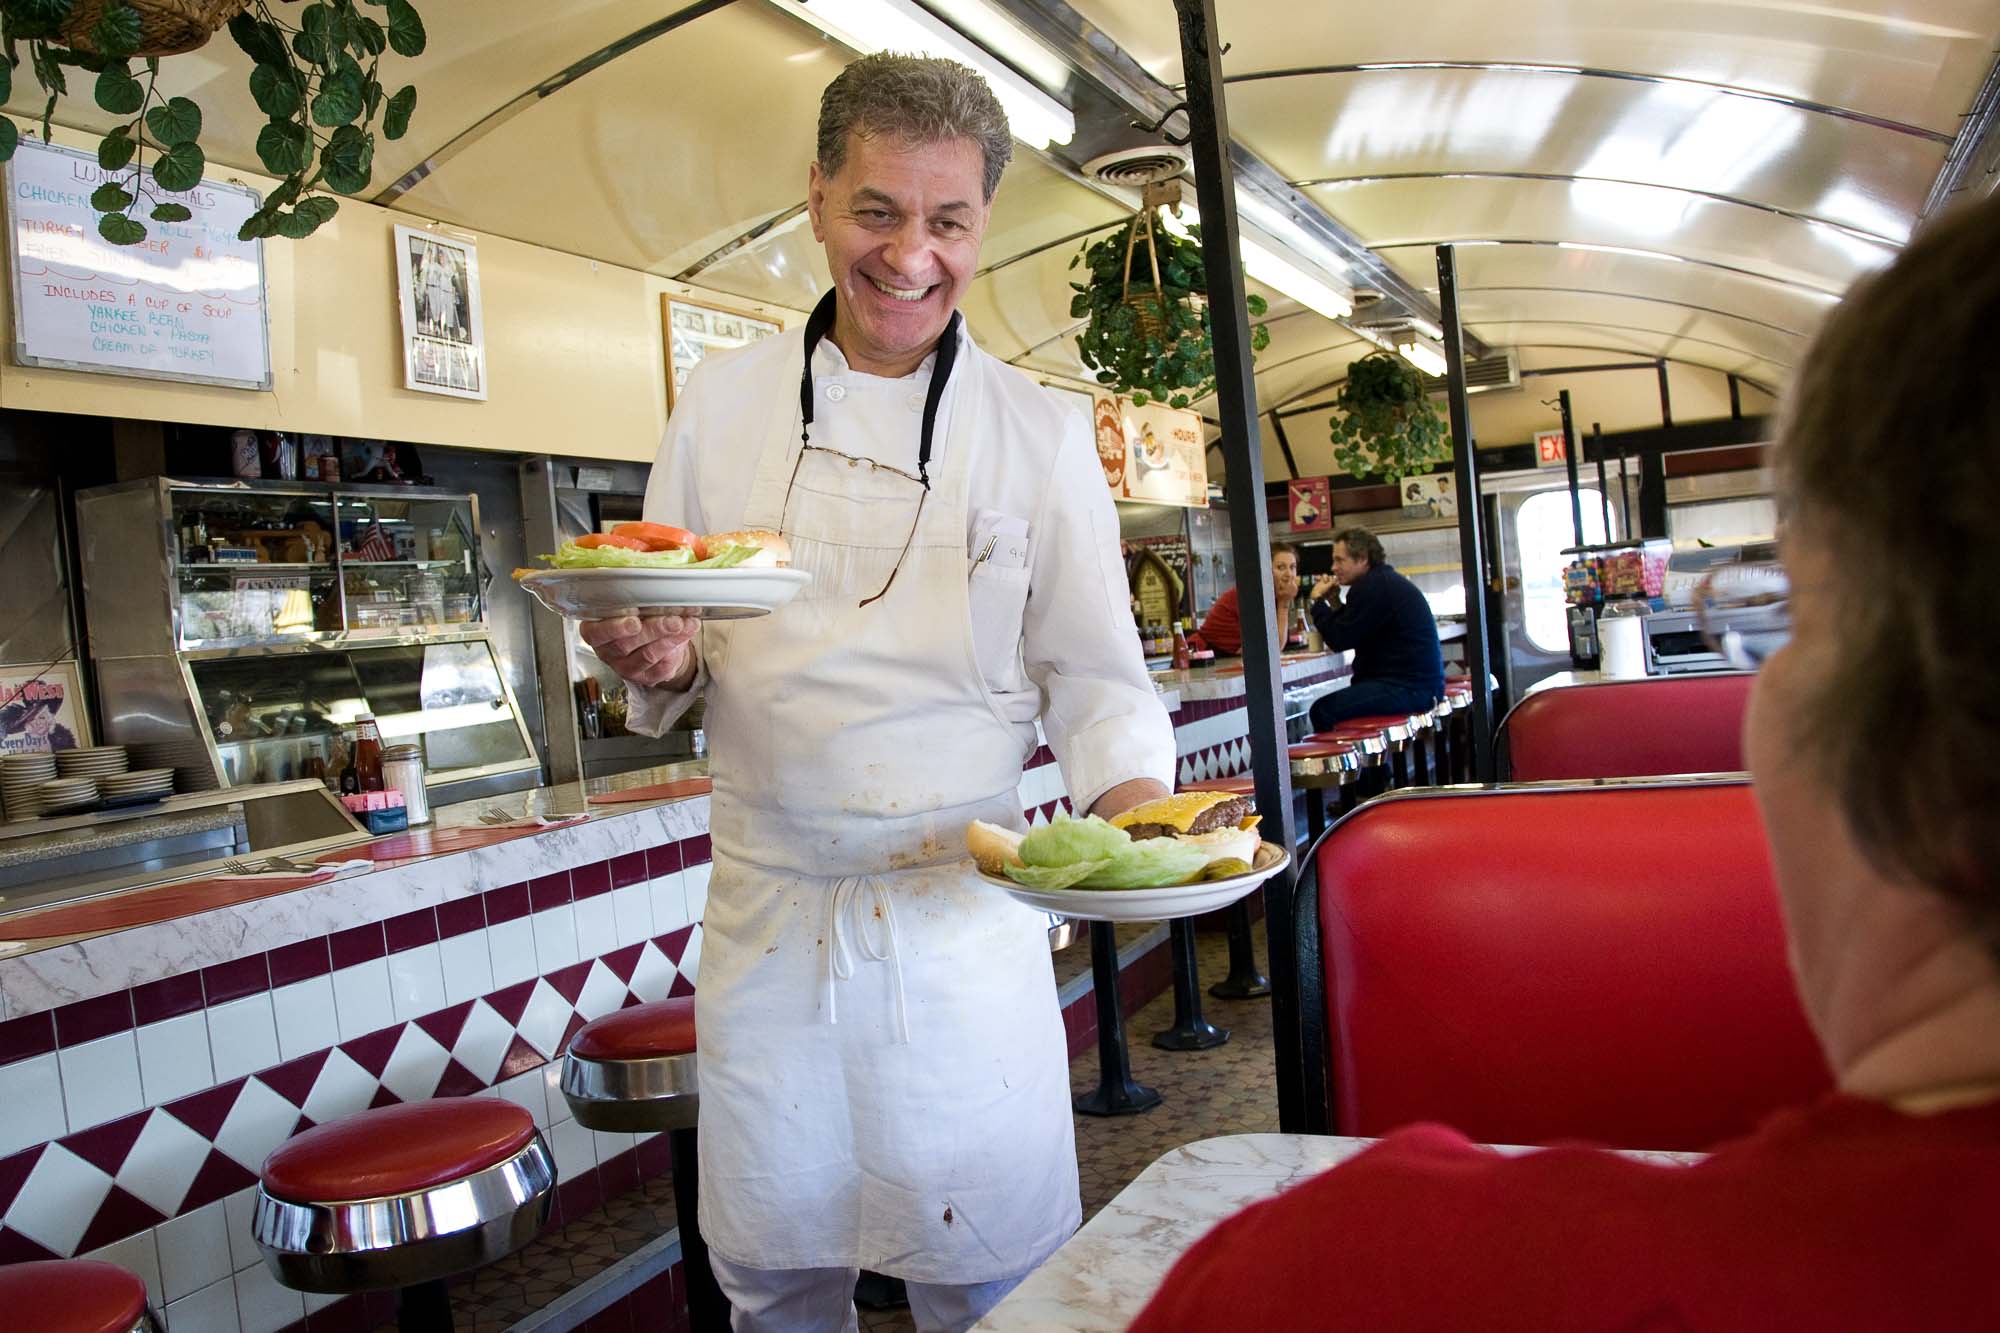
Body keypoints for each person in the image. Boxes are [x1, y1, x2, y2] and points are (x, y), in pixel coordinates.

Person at [1128, 189, 2000, 1332]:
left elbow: (1321, 662)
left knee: (1328, 713)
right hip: (1402, 699)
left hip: (1380, 706)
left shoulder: (1337, 1279)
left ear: (1887, 702)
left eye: (1785, 613)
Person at [581, 55, 1175, 1333]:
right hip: (772, 921)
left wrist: (1144, 827)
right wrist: (653, 659)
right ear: (815, 198)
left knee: (993, 1278)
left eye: (947, 221)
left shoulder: (1039, 429)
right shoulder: (717, 407)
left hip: (960, 921)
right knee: (773, 1275)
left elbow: (1092, 674)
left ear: (981, 226)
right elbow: (671, 637)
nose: (911, 255)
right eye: (876, 212)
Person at [1303, 525, 1444, 731]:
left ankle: (1368, 763)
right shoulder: (1382, 581)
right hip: (1420, 686)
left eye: (1339, 560)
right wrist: (1333, 602)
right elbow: (1355, 627)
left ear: (1362, 559)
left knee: (1322, 711)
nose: (1333, 568)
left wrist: (1315, 601)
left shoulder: (1371, 587)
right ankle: (1374, 762)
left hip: (1408, 688)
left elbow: (1339, 638)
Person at [1193, 542, 1302, 656]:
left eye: (1292, 567)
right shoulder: (1250, 595)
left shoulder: (1273, 595)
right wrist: (1284, 603)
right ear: (1264, 569)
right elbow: (1272, 648)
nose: (1289, 574)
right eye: (1281, 567)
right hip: (1207, 658)